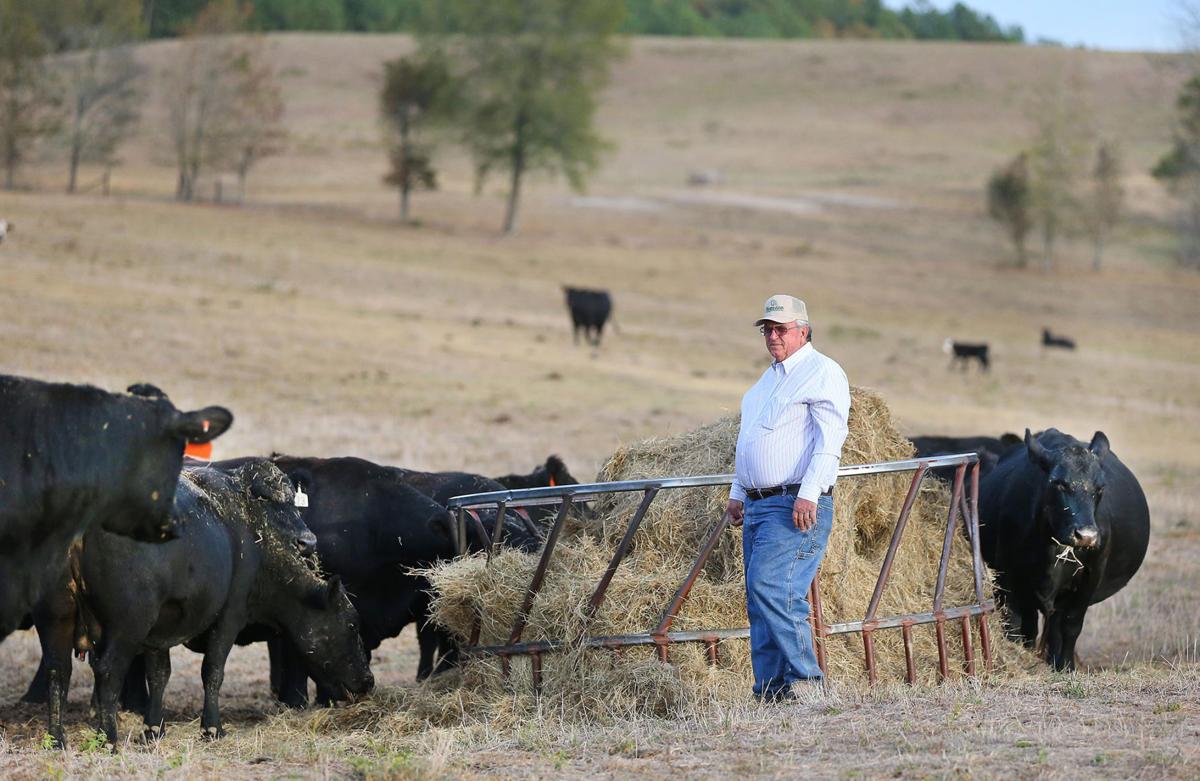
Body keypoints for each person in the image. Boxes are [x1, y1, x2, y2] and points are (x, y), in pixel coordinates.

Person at [724, 294, 850, 702]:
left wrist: (809, 494)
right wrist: (738, 492)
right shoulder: (765, 383)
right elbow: (749, 441)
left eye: (780, 329)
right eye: (767, 329)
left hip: (793, 501)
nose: (772, 336)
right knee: (759, 598)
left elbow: (830, 441)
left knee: (774, 586)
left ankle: (807, 682)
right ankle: (771, 691)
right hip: (758, 503)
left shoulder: (822, 372)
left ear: (803, 331)